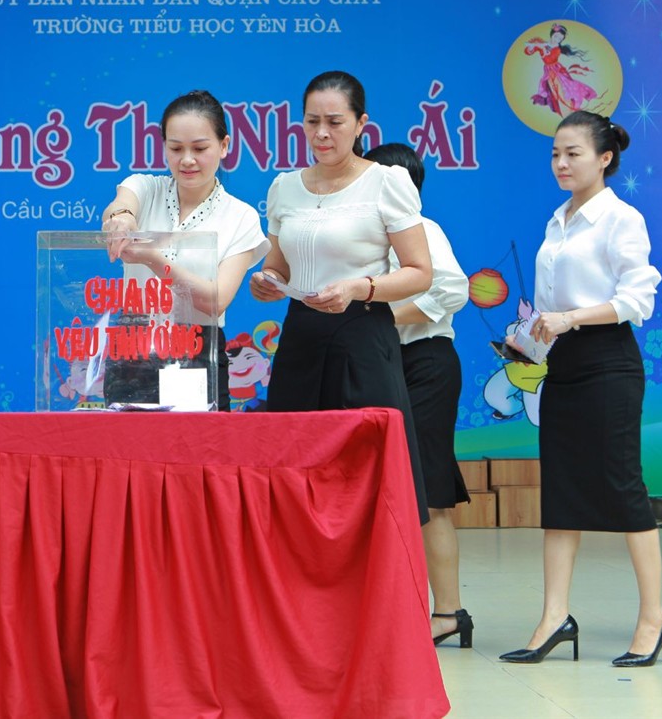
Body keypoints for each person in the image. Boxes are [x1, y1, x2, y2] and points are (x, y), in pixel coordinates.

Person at [498, 110, 662, 667]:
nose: (561, 163)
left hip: (608, 362)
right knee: (562, 491)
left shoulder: (621, 218)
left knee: (623, 486)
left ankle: (653, 619)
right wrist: (531, 336)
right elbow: (552, 305)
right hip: (563, 364)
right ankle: (554, 617)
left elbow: (638, 300)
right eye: (555, 153)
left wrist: (571, 318)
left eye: (573, 153)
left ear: (605, 158)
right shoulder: (558, 221)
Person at [248, 71, 434, 522]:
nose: (322, 133)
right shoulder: (284, 187)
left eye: (335, 122)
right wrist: (267, 281)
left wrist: (359, 288)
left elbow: (420, 273)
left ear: (361, 123)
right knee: (294, 471)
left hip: (362, 336)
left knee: (365, 475)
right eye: (312, 122)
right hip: (301, 338)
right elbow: (279, 266)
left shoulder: (386, 182)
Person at [363, 142, 473, 649]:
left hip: (425, 363)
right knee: (380, 489)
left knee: (428, 490)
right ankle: (392, 610)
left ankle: (448, 612)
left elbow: (452, 290)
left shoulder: (424, 230)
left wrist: (379, 317)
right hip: (380, 363)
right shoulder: (364, 238)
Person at [101, 89, 269, 411]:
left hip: (197, 348)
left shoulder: (240, 216)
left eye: (200, 148)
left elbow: (216, 300)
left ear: (224, 145)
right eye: (176, 148)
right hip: (134, 344)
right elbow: (122, 204)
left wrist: (153, 259)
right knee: (129, 442)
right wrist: (121, 219)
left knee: (193, 442)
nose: (187, 159)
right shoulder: (145, 187)